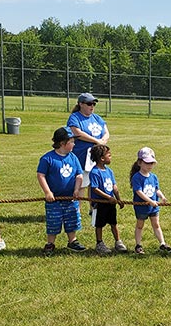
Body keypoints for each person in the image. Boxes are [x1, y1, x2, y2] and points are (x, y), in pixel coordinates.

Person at [37, 127, 87, 256]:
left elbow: (79, 175)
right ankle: (50, 243)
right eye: (71, 142)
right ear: (62, 143)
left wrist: (76, 189)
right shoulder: (47, 159)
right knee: (53, 221)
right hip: (54, 199)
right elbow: (41, 175)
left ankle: (72, 241)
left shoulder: (73, 158)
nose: (74, 144)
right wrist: (48, 192)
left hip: (70, 198)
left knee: (72, 219)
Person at [67, 92, 109, 199]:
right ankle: (78, 212)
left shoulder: (97, 118)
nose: (92, 106)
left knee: (95, 183)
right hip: (81, 155)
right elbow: (77, 133)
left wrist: (103, 141)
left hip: (97, 156)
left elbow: (106, 132)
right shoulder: (75, 117)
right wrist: (96, 141)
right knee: (81, 184)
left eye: (94, 104)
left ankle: (93, 209)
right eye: (89, 104)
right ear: (81, 104)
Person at [130, 147, 171, 254]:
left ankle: (162, 243)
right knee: (140, 225)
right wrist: (150, 201)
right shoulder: (137, 177)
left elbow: (156, 189)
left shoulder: (154, 177)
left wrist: (162, 196)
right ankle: (138, 245)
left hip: (153, 206)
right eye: (147, 163)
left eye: (152, 163)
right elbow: (139, 192)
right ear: (139, 162)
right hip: (142, 206)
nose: (150, 166)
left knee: (156, 224)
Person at [88, 144, 127, 255]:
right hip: (100, 204)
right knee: (99, 224)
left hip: (111, 203)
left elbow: (114, 186)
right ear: (102, 158)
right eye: (109, 155)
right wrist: (108, 197)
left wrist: (118, 199)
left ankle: (118, 242)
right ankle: (99, 243)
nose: (111, 157)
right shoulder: (95, 172)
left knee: (113, 223)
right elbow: (95, 189)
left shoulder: (109, 171)